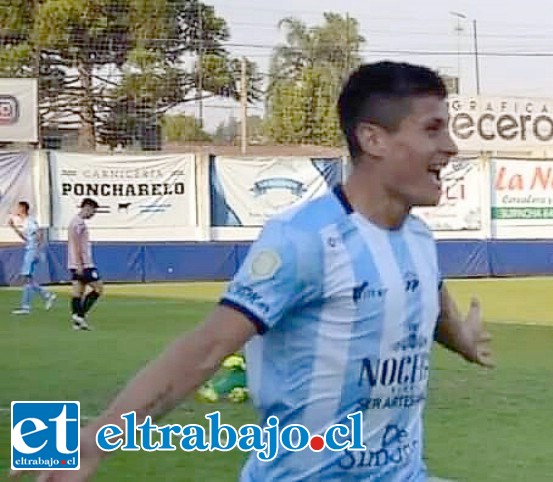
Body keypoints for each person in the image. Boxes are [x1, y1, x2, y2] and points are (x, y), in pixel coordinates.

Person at [11, 61, 493, 482]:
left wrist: (461, 338)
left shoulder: (418, 238)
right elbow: (207, 348)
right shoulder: (305, 240)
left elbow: (424, 293)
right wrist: (97, 439)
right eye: (433, 130)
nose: (450, 147)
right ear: (373, 139)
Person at [8, 201, 56, 315]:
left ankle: (31, 304)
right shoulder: (25, 223)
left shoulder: (30, 221)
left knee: (26, 277)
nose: (16, 210)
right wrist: (14, 227)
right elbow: (26, 238)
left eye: (18, 208)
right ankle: (42, 298)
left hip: (32, 251)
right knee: (28, 279)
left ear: (23, 208)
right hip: (30, 249)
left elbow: (39, 234)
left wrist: (37, 251)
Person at [67, 198, 103, 330]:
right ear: (87, 208)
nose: (93, 214)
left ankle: (77, 323)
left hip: (73, 263)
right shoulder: (79, 224)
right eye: (93, 211)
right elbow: (76, 245)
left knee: (78, 292)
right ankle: (80, 316)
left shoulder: (74, 222)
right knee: (98, 289)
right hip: (84, 264)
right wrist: (80, 264)